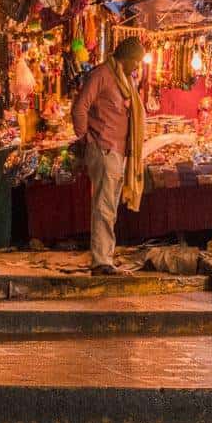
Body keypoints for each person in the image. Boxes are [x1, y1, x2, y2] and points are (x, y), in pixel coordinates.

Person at [70, 37, 146, 275]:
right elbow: (80, 107)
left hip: (117, 150)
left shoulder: (123, 79)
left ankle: (105, 256)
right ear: (126, 58)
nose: (137, 67)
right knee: (104, 206)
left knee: (109, 206)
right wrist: (85, 138)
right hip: (104, 148)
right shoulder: (101, 74)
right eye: (136, 61)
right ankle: (101, 260)